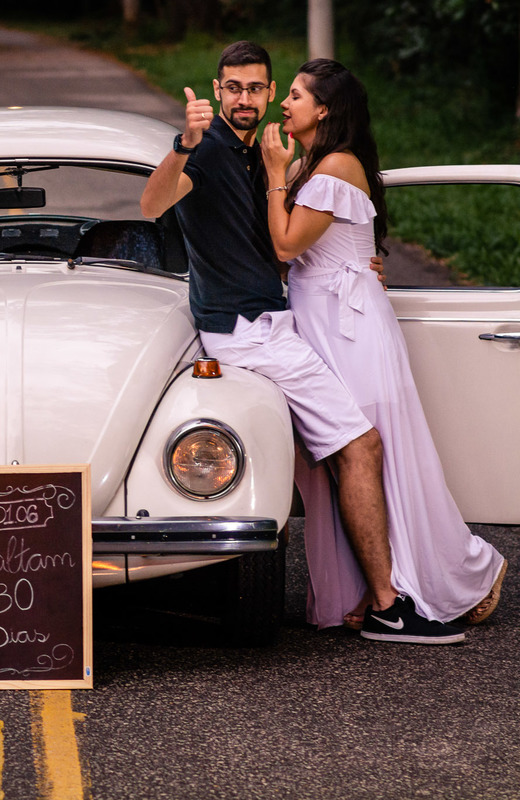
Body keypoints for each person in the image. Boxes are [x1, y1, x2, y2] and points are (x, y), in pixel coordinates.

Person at [139, 41, 465, 644]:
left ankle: (347, 596)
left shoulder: (263, 154)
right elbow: (152, 201)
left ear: (264, 95)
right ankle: (392, 603)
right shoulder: (208, 152)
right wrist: (182, 142)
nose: (246, 98)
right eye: (233, 87)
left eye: (258, 88)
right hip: (247, 331)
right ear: (216, 91)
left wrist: (355, 264)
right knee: (361, 445)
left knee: (317, 462)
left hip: (274, 321)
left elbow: (292, 239)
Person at [260, 58, 506, 639]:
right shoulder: (315, 165)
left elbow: (285, 244)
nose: (284, 104)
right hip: (324, 323)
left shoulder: (335, 165)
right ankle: (372, 587)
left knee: (373, 457)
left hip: (350, 332)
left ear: (323, 109)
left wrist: (275, 173)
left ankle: (456, 572)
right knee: (346, 464)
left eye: (295, 95)